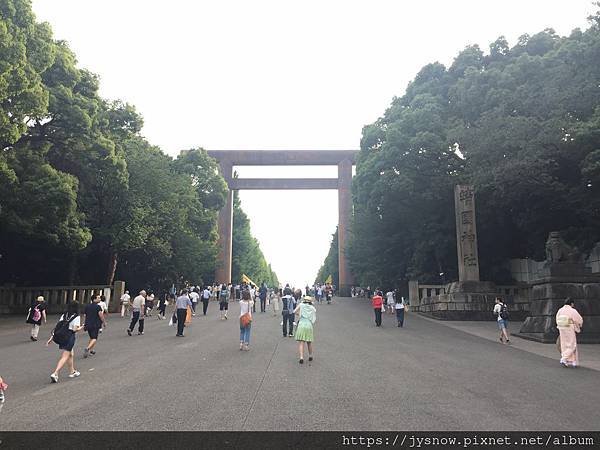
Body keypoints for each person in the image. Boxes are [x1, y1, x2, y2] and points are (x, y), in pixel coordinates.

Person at [47, 302, 82, 383]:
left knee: (71, 354)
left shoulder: (64, 315)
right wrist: (81, 327)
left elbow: (58, 327)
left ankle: (72, 371)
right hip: (70, 336)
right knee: (65, 356)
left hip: (62, 336)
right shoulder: (76, 317)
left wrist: (52, 337)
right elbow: (75, 329)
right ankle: (55, 373)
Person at [556, 298, 584, 368]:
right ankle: (564, 358)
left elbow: (557, 319)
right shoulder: (572, 310)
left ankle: (573, 361)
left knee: (564, 344)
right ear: (571, 303)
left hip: (562, 327)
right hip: (569, 327)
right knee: (572, 344)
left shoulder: (560, 310)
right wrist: (579, 325)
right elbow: (579, 319)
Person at [294, 295, 316, 364]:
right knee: (309, 342)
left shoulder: (301, 305)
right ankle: (310, 356)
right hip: (309, 325)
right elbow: (313, 319)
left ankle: (301, 357)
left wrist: (300, 314)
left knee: (301, 342)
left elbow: (294, 311)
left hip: (301, 324)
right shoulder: (312, 308)